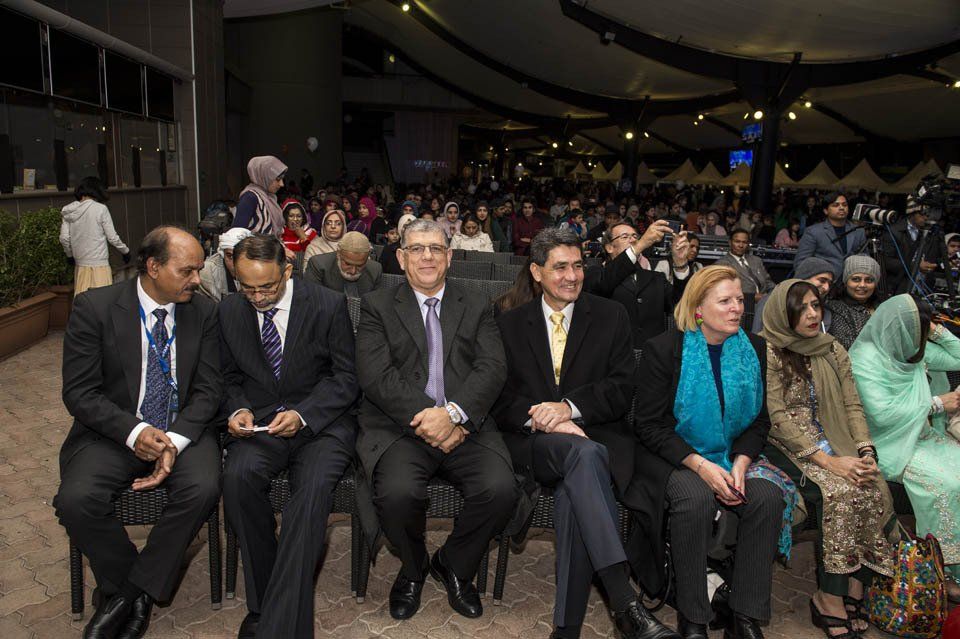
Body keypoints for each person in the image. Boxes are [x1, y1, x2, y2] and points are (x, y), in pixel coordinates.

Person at [493, 229, 679, 639]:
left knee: (576, 486)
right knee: (585, 457)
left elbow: (621, 389)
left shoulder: (611, 316)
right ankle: (624, 602)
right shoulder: (509, 324)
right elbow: (498, 398)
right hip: (531, 445)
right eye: (560, 267)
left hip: (595, 439)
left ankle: (566, 630)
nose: (573, 276)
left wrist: (570, 409)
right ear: (536, 272)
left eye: (578, 266)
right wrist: (545, 418)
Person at [54, 226, 221, 639]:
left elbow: (209, 390)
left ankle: (127, 596)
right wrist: (135, 431)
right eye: (187, 271)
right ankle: (136, 587)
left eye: (199, 269)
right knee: (76, 500)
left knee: (203, 487)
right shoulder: (95, 308)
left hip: (183, 431)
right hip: (114, 432)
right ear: (153, 267)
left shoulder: (205, 311)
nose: (196, 279)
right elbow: (79, 392)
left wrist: (174, 440)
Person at [355, 219, 519, 621]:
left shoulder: (478, 303)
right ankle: (413, 570)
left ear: (449, 256)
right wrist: (432, 420)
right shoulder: (377, 305)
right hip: (401, 427)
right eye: (416, 248)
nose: (426, 256)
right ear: (400, 257)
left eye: (435, 248)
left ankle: (454, 564)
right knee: (397, 494)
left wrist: (453, 415)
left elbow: (492, 367)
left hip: (466, 426)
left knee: (501, 490)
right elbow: (376, 376)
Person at [630, 265, 787, 639]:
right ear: (698, 308)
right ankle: (693, 616)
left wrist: (741, 463)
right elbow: (648, 425)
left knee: (767, 497)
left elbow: (759, 422)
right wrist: (701, 466)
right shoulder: (664, 349)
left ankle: (744, 616)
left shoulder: (754, 348)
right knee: (696, 498)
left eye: (740, 300)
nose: (737, 309)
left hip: (732, 455)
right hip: (675, 455)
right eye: (725, 301)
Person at [220, 234, 358, 639]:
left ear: (287, 270)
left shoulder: (328, 304)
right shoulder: (228, 310)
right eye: (248, 288)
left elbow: (347, 377)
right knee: (237, 479)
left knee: (311, 495)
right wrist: (237, 408)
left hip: (322, 427)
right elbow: (224, 377)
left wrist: (303, 414)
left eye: (267, 287)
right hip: (261, 427)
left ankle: (276, 625)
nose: (258, 297)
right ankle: (265, 599)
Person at [760, 280, 896, 639]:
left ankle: (856, 585)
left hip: (836, 437)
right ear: (782, 313)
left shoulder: (831, 347)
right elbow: (775, 415)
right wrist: (827, 461)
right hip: (787, 445)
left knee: (871, 485)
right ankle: (829, 598)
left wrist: (865, 451)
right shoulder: (768, 349)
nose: (811, 314)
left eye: (815, 306)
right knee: (840, 491)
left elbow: (852, 404)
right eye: (801, 308)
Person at [850, 294, 960, 599]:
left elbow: (959, 357)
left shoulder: (911, 347)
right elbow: (882, 414)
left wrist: (935, 329)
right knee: (947, 484)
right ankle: (943, 570)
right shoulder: (865, 358)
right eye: (918, 329)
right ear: (901, 326)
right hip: (890, 444)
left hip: (922, 437)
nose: (921, 338)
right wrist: (937, 404)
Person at [585, 220, 691, 348]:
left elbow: (681, 306)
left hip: (652, 356)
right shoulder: (596, 274)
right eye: (625, 237)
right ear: (609, 247)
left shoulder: (656, 277)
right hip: (612, 354)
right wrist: (639, 245)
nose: (633, 240)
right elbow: (603, 283)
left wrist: (680, 264)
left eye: (635, 236)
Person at [59, 176, 131, 296]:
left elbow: (64, 238)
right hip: (100, 265)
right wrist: (125, 251)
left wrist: (69, 255)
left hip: (81, 265)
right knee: (103, 301)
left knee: (82, 302)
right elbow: (112, 237)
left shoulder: (68, 211)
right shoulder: (101, 209)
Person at [883, 198, 950, 295]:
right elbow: (886, 261)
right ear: (912, 212)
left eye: (931, 214)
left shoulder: (935, 233)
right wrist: (915, 266)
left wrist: (947, 263)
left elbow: (937, 258)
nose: (927, 217)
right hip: (898, 288)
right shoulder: (894, 231)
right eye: (923, 213)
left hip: (925, 290)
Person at [752, 257, 835, 334]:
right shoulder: (774, 301)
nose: (826, 288)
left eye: (830, 284)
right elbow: (758, 335)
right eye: (822, 281)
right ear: (804, 278)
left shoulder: (825, 311)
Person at [794, 193, 866, 279]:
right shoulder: (813, 232)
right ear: (826, 211)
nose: (841, 208)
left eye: (844, 205)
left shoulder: (858, 231)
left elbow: (865, 260)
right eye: (836, 205)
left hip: (852, 282)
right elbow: (801, 263)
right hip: (823, 282)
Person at [826, 256, 882, 350]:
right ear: (845, 282)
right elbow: (847, 346)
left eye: (869, 280)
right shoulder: (836, 308)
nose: (862, 285)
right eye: (856, 279)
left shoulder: (881, 306)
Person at [303, 231, 382, 297]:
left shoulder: (375, 270)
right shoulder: (318, 265)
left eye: (360, 266)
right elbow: (312, 300)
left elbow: (375, 305)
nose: (353, 271)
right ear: (338, 254)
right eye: (348, 264)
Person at [716, 228, 775, 305]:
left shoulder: (756, 260)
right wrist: (752, 297)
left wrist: (776, 293)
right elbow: (725, 291)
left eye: (744, 242)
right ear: (730, 243)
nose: (741, 245)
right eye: (737, 241)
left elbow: (768, 282)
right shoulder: (722, 264)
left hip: (765, 302)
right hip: (741, 304)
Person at [234, 156, 287, 236]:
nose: (281, 184)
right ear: (263, 176)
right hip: (257, 244)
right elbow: (236, 234)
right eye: (278, 179)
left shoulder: (269, 197)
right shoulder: (250, 197)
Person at [198, 227, 253, 302]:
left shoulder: (259, 266)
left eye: (242, 257)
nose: (236, 264)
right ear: (222, 254)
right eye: (230, 256)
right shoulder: (208, 272)